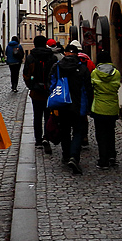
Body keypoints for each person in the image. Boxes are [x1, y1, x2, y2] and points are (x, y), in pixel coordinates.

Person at [50, 43, 91, 174]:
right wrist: (89, 106)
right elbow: (88, 89)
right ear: (76, 54)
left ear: (66, 53)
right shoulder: (83, 69)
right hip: (79, 105)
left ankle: (66, 155)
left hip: (62, 104)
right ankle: (74, 156)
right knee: (78, 132)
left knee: (65, 130)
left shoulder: (57, 67)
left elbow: (52, 85)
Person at [22, 36, 57, 153]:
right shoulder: (52, 57)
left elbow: (26, 73)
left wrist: (31, 86)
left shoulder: (31, 57)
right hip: (48, 91)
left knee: (37, 116)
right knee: (48, 115)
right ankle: (46, 137)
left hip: (36, 91)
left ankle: (38, 139)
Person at [90, 61, 121, 169]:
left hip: (99, 107)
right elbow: (117, 87)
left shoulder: (94, 73)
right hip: (112, 107)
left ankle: (103, 160)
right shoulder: (116, 73)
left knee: (100, 135)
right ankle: (112, 155)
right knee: (110, 132)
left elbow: (91, 87)